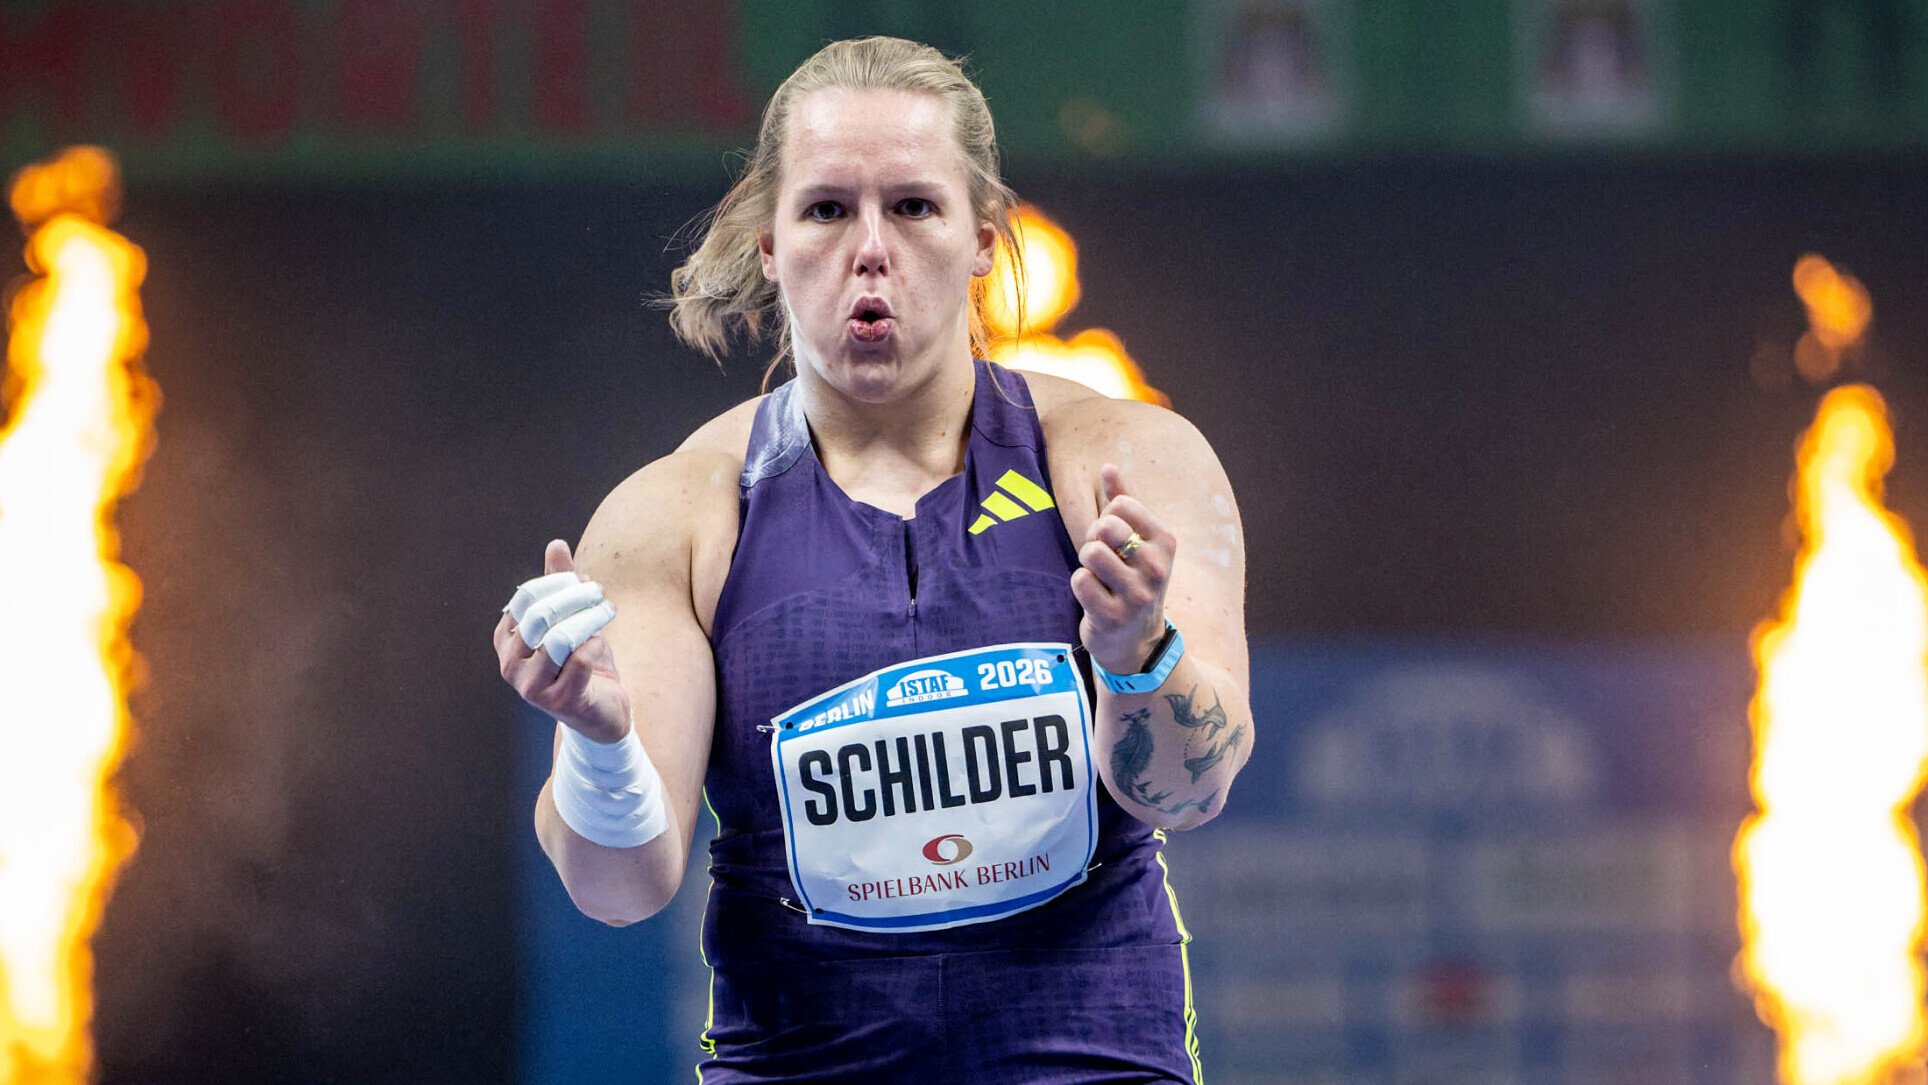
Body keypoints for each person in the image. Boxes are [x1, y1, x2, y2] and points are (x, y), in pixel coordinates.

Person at [493, 36, 1252, 1083]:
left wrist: (1139, 654)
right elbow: (618, 888)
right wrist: (596, 739)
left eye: (912, 206)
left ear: (981, 239)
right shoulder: (674, 516)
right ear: (768, 244)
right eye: (826, 210)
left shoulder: (1125, 461)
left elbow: (1189, 793)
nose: (869, 249)